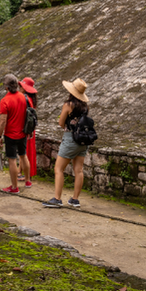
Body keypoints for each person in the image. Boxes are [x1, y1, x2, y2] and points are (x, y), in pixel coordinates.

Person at [43, 78, 90, 208]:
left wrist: (66, 127)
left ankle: (57, 199)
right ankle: (75, 199)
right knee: (78, 170)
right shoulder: (85, 106)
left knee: (58, 169)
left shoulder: (68, 105)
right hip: (83, 139)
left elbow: (61, 122)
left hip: (70, 138)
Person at [0, 73, 30, 194]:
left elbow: (2, 121)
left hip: (10, 134)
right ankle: (27, 181)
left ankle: (14, 187)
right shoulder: (23, 97)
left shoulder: (5, 101)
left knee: (12, 160)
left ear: (6, 87)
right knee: (23, 155)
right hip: (22, 133)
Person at [18, 77, 37, 184]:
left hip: (25, 128)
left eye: (21, 86)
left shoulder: (25, 99)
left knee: (24, 152)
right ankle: (20, 172)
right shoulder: (31, 99)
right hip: (30, 128)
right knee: (25, 151)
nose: (19, 88)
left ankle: (24, 173)